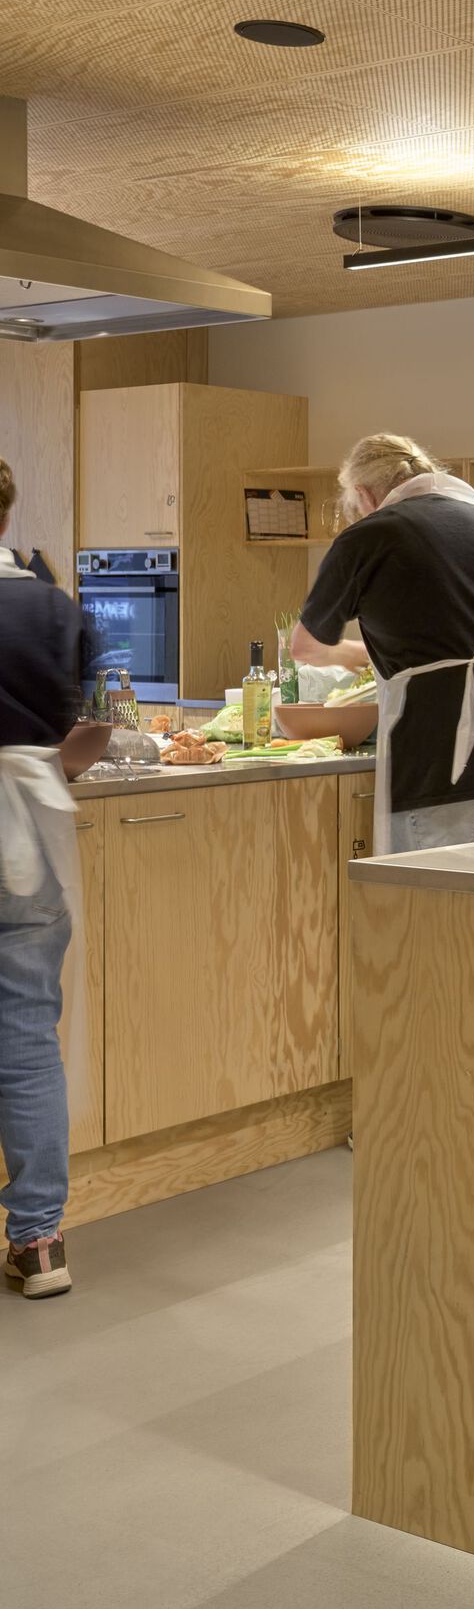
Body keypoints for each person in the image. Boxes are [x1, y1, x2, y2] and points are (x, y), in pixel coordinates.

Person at [291, 433, 474, 855]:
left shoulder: (369, 536)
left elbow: (307, 647)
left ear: (363, 494)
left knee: (439, 909)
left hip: (443, 755)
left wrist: (362, 654)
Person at [0, 457, 110, 1301]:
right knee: (27, 1035)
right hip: (32, 834)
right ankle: (40, 1242)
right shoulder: (55, 605)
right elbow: (95, 730)